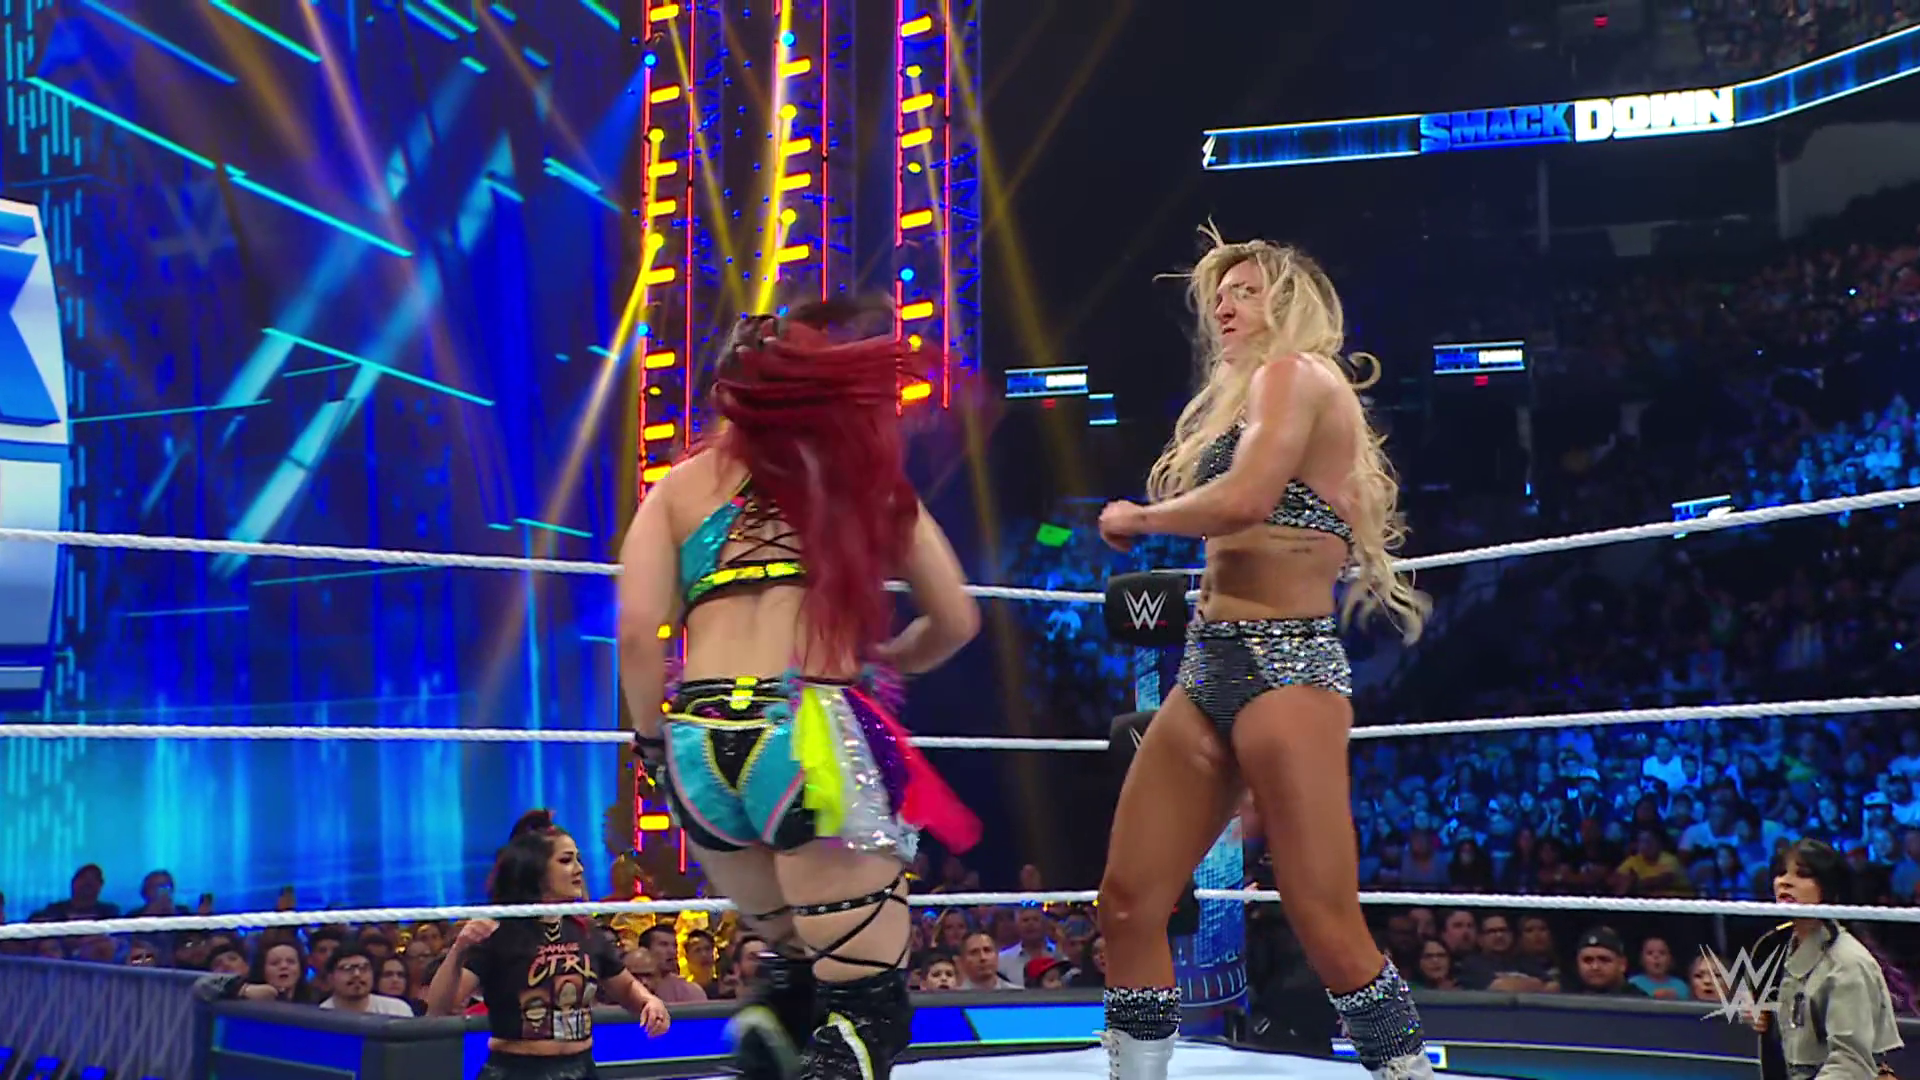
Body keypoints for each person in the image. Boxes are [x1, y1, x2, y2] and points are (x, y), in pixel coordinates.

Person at [1095, 229, 1433, 1080]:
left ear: (1287, 302)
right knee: (1128, 902)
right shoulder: (1250, 401)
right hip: (1207, 666)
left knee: (1326, 922)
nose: (1225, 307)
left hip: (1288, 670)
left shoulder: (1299, 375)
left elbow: (1247, 500)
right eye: (1219, 296)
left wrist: (1139, 519)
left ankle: (1406, 1071)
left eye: (1246, 291)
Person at [616, 297, 982, 1080]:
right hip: (806, 732)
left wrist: (650, 743)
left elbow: (639, 632)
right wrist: (891, 660)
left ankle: (772, 1035)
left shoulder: (677, 489)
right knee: (865, 1008)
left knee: (795, 977)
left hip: (699, 744)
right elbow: (955, 619)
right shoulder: (861, 480)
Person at [425, 810, 671, 1080]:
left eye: (578, 859)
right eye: (566, 860)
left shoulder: (586, 931)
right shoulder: (500, 930)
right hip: (518, 1072)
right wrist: (459, 949)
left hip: (581, 1067)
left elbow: (624, 987)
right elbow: (439, 1008)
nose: (579, 869)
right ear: (537, 870)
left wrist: (649, 1001)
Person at [1752, 838, 1907, 1080]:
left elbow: (1850, 1063)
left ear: (1828, 887)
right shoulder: (1774, 947)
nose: (1784, 881)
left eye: (1802, 874)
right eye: (1781, 873)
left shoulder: (1847, 962)